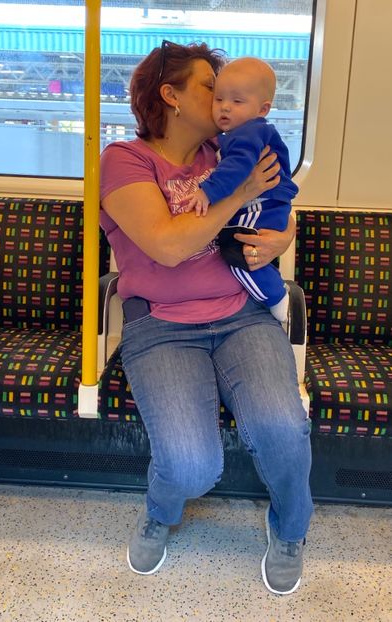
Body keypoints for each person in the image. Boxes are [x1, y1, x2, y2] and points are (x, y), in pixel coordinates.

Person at [100, 40, 313, 596]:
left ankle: (290, 527)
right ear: (171, 96)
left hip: (242, 314)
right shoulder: (126, 159)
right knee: (192, 467)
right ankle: (160, 512)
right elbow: (168, 246)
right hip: (162, 326)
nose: (222, 100)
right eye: (210, 88)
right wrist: (239, 193)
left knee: (283, 428)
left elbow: (278, 204)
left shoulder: (229, 148)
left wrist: (282, 237)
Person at [184, 57, 298, 322]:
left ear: (263, 109)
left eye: (237, 102)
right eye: (219, 99)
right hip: (265, 203)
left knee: (238, 252)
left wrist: (207, 191)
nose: (224, 107)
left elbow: (237, 166)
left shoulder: (248, 134)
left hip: (262, 203)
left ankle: (276, 297)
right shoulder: (239, 133)